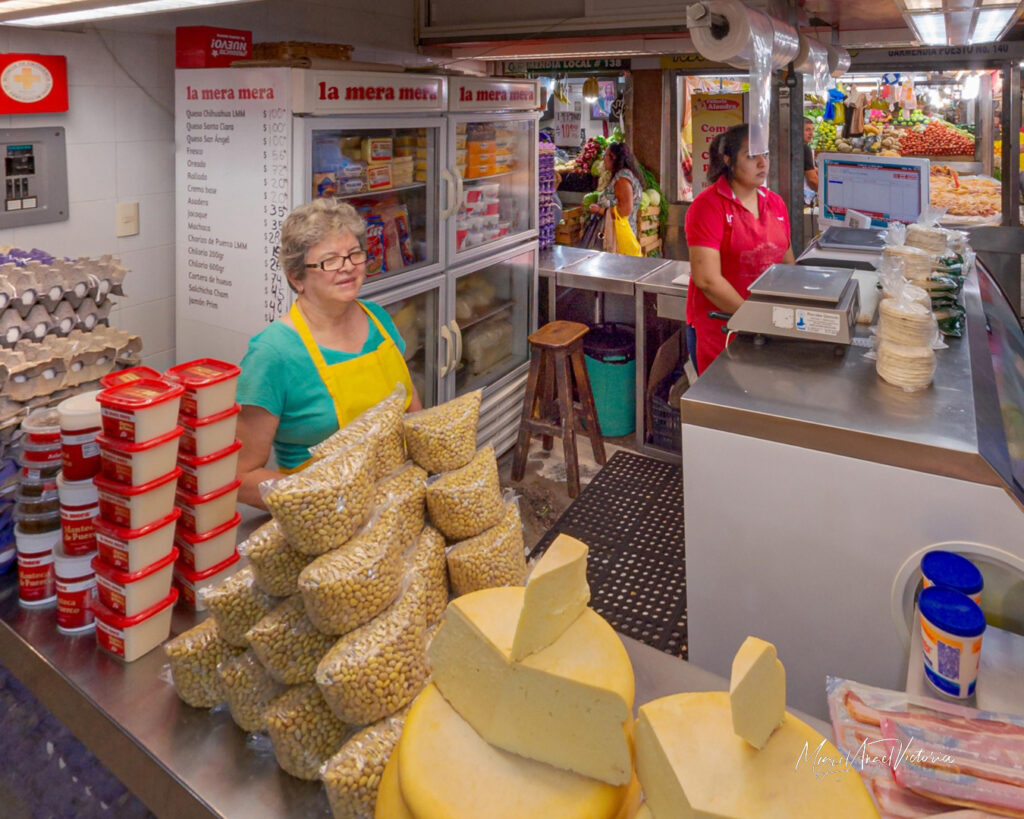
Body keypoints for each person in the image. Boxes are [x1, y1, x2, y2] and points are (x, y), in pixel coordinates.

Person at [235, 198, 422, 509]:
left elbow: (412, 410)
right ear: (297, 278)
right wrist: (326, 497)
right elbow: (240, 477)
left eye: (353, 254)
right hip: (326, 523)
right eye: (330, 260)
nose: (347, 267)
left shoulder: (379, 319)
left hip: (400, 502)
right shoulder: (272, 353)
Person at [684, 124, 795, 374]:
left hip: (769, 328)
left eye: (765, 155)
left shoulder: (775, 203)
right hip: (722, 330)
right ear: (728, 160)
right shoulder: (708, 206)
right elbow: (707, 280)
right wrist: (753, 319)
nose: (762, 163)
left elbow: (788, 263)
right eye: (751, 156)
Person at [589, 141, 643, 255]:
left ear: (613, 157)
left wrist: (600, 211)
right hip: (622, 233)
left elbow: (625, 209)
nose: (603, 159)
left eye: (606, 155)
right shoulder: (625, 175)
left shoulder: (622, 179)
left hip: (618, 237)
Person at [803, 117, 818, 192]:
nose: (811, 133)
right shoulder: (805, 149)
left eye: (813, 129)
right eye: (807, 130)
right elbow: (812, 179)